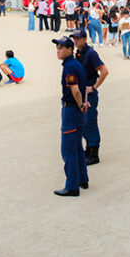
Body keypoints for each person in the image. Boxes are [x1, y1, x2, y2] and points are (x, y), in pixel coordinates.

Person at [51, 36, 89, 197]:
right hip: (77, 112)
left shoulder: (69, 67)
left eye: (61, 47)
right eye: (57, 47)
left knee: (68, 149)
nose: (58, 50)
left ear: (69, 49)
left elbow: (75, 90)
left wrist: (81, 104)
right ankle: (82, 178)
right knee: (77, 147)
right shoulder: (75, 64)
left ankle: (72, 185)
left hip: (71, 110)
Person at [71, 30, 109, 166]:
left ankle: (94, 152)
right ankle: (88, 149)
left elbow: (104, 71)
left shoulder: (91, 53)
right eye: (74, 38)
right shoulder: (78, 53)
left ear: (85, 39)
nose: (76, 41)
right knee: (83, 122)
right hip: (81, 93)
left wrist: (94, 87)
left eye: (78, 38)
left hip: (90, 94)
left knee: (90, 122)